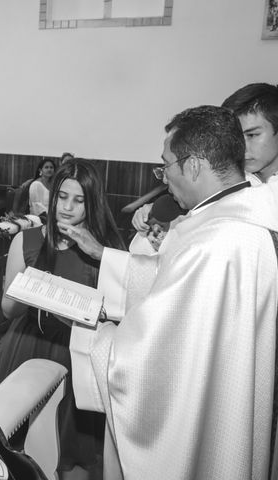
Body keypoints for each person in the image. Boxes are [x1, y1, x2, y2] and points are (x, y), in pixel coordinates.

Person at [66, 105, 278, 479]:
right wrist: (107, 258)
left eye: (167, 165)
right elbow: (171, 281)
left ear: (193, 165)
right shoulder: (228, 219)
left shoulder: (219, 239)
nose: (164, 178)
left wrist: (96, 339)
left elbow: (153, 361)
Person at [0, 159, 125, 480]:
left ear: (92, 202)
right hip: (27, 345)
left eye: (79, 200)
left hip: (76, 353)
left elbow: (117, 315)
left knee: (72, 450)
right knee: (13, 446)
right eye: (62, 197)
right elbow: (9, 312)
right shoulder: (25, 241)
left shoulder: (103, 248)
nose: (67, 207)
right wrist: (28, 290)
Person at [131, 83, 278, 233]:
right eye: (237, 137)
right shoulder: (231, 180)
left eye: (252, 135)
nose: (242, 146)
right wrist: (165, 221)